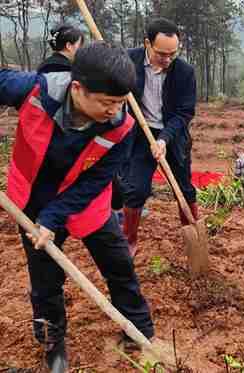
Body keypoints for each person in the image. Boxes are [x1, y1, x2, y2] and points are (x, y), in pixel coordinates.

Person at [0, 42, 154, 372]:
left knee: (118, 265)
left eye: (120, 102)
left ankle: (139, 330)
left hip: (86, 202)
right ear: (77, 88)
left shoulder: (122, 127)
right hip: (30, 199)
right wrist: (41, 218)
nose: (114, 110)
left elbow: (96, 180)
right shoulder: (35, 90)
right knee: (45, 280)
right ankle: (53, 343)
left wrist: (54, 216)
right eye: (106, 102)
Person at [117, 18, 198, 258]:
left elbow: (185, 112)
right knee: (135, 189)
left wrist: (164, 139)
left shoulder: (184, 72)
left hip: (172, 135)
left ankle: (193, 236)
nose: (167, 59)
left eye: (173, 53)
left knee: (183, 189)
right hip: (140, 135)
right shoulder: (127, 62)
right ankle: (129, 241)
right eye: (162, 53)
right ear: (147, 44)